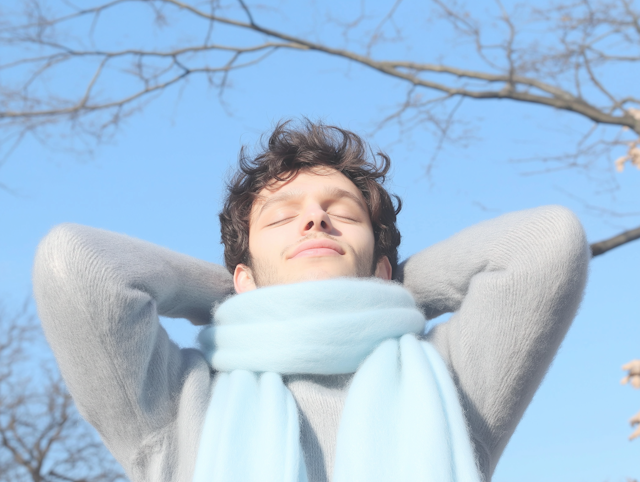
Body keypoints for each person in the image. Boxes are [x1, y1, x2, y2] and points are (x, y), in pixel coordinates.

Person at [33, 121, 590, 482]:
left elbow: (546, 242)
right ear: (243, 275)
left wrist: (378, 295)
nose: (315, 217)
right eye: (281, 216)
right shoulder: (180, 403)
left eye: (343, 212)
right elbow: (76, 264)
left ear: (381, 264)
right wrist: (240, 295)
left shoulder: (451, 381)